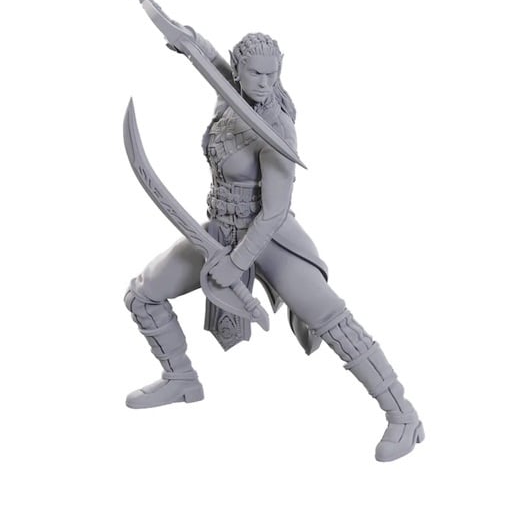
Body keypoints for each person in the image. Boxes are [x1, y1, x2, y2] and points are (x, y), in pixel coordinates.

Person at [124, 32, 424, 462]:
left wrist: (237, 263)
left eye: (272, 74)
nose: (264, 83)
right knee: (142, 294)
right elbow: (212, 65)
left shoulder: (277, 126)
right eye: (254, 74)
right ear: (238, 70)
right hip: (218, 233)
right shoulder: (229, 98)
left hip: (270, 239)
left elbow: (274, 211)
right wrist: (188, 41)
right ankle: (180, 378)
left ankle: (402, 415)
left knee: (330, 318)